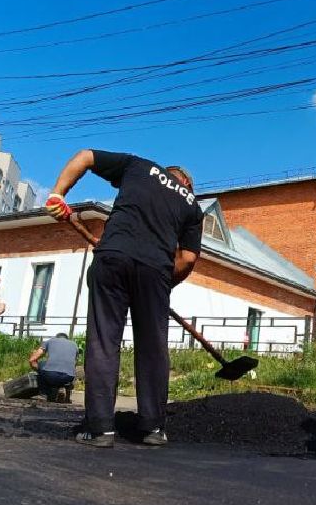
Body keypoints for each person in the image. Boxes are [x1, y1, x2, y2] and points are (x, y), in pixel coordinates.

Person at [44, 151, 202, 448]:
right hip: (156, 270)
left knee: (104, 342)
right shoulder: (192, 205)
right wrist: (162, 285)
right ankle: (153, 428)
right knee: (153, 348)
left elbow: (86, 156)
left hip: (114, 256)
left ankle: (100, 429)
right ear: (187, 184)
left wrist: (57, 194)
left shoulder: (139, 166)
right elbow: (188, 259)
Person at [30, 332, 81, 402]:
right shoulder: (74, 344)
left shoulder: (50, 341)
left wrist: (34, 362)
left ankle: (43, 393)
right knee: (69, 370)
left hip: (51, 375)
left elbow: (33, 359)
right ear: (67, 338)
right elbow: (74, 363)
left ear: (56, 337)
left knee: (41, 364)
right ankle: (65, 393)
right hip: (69, 378)